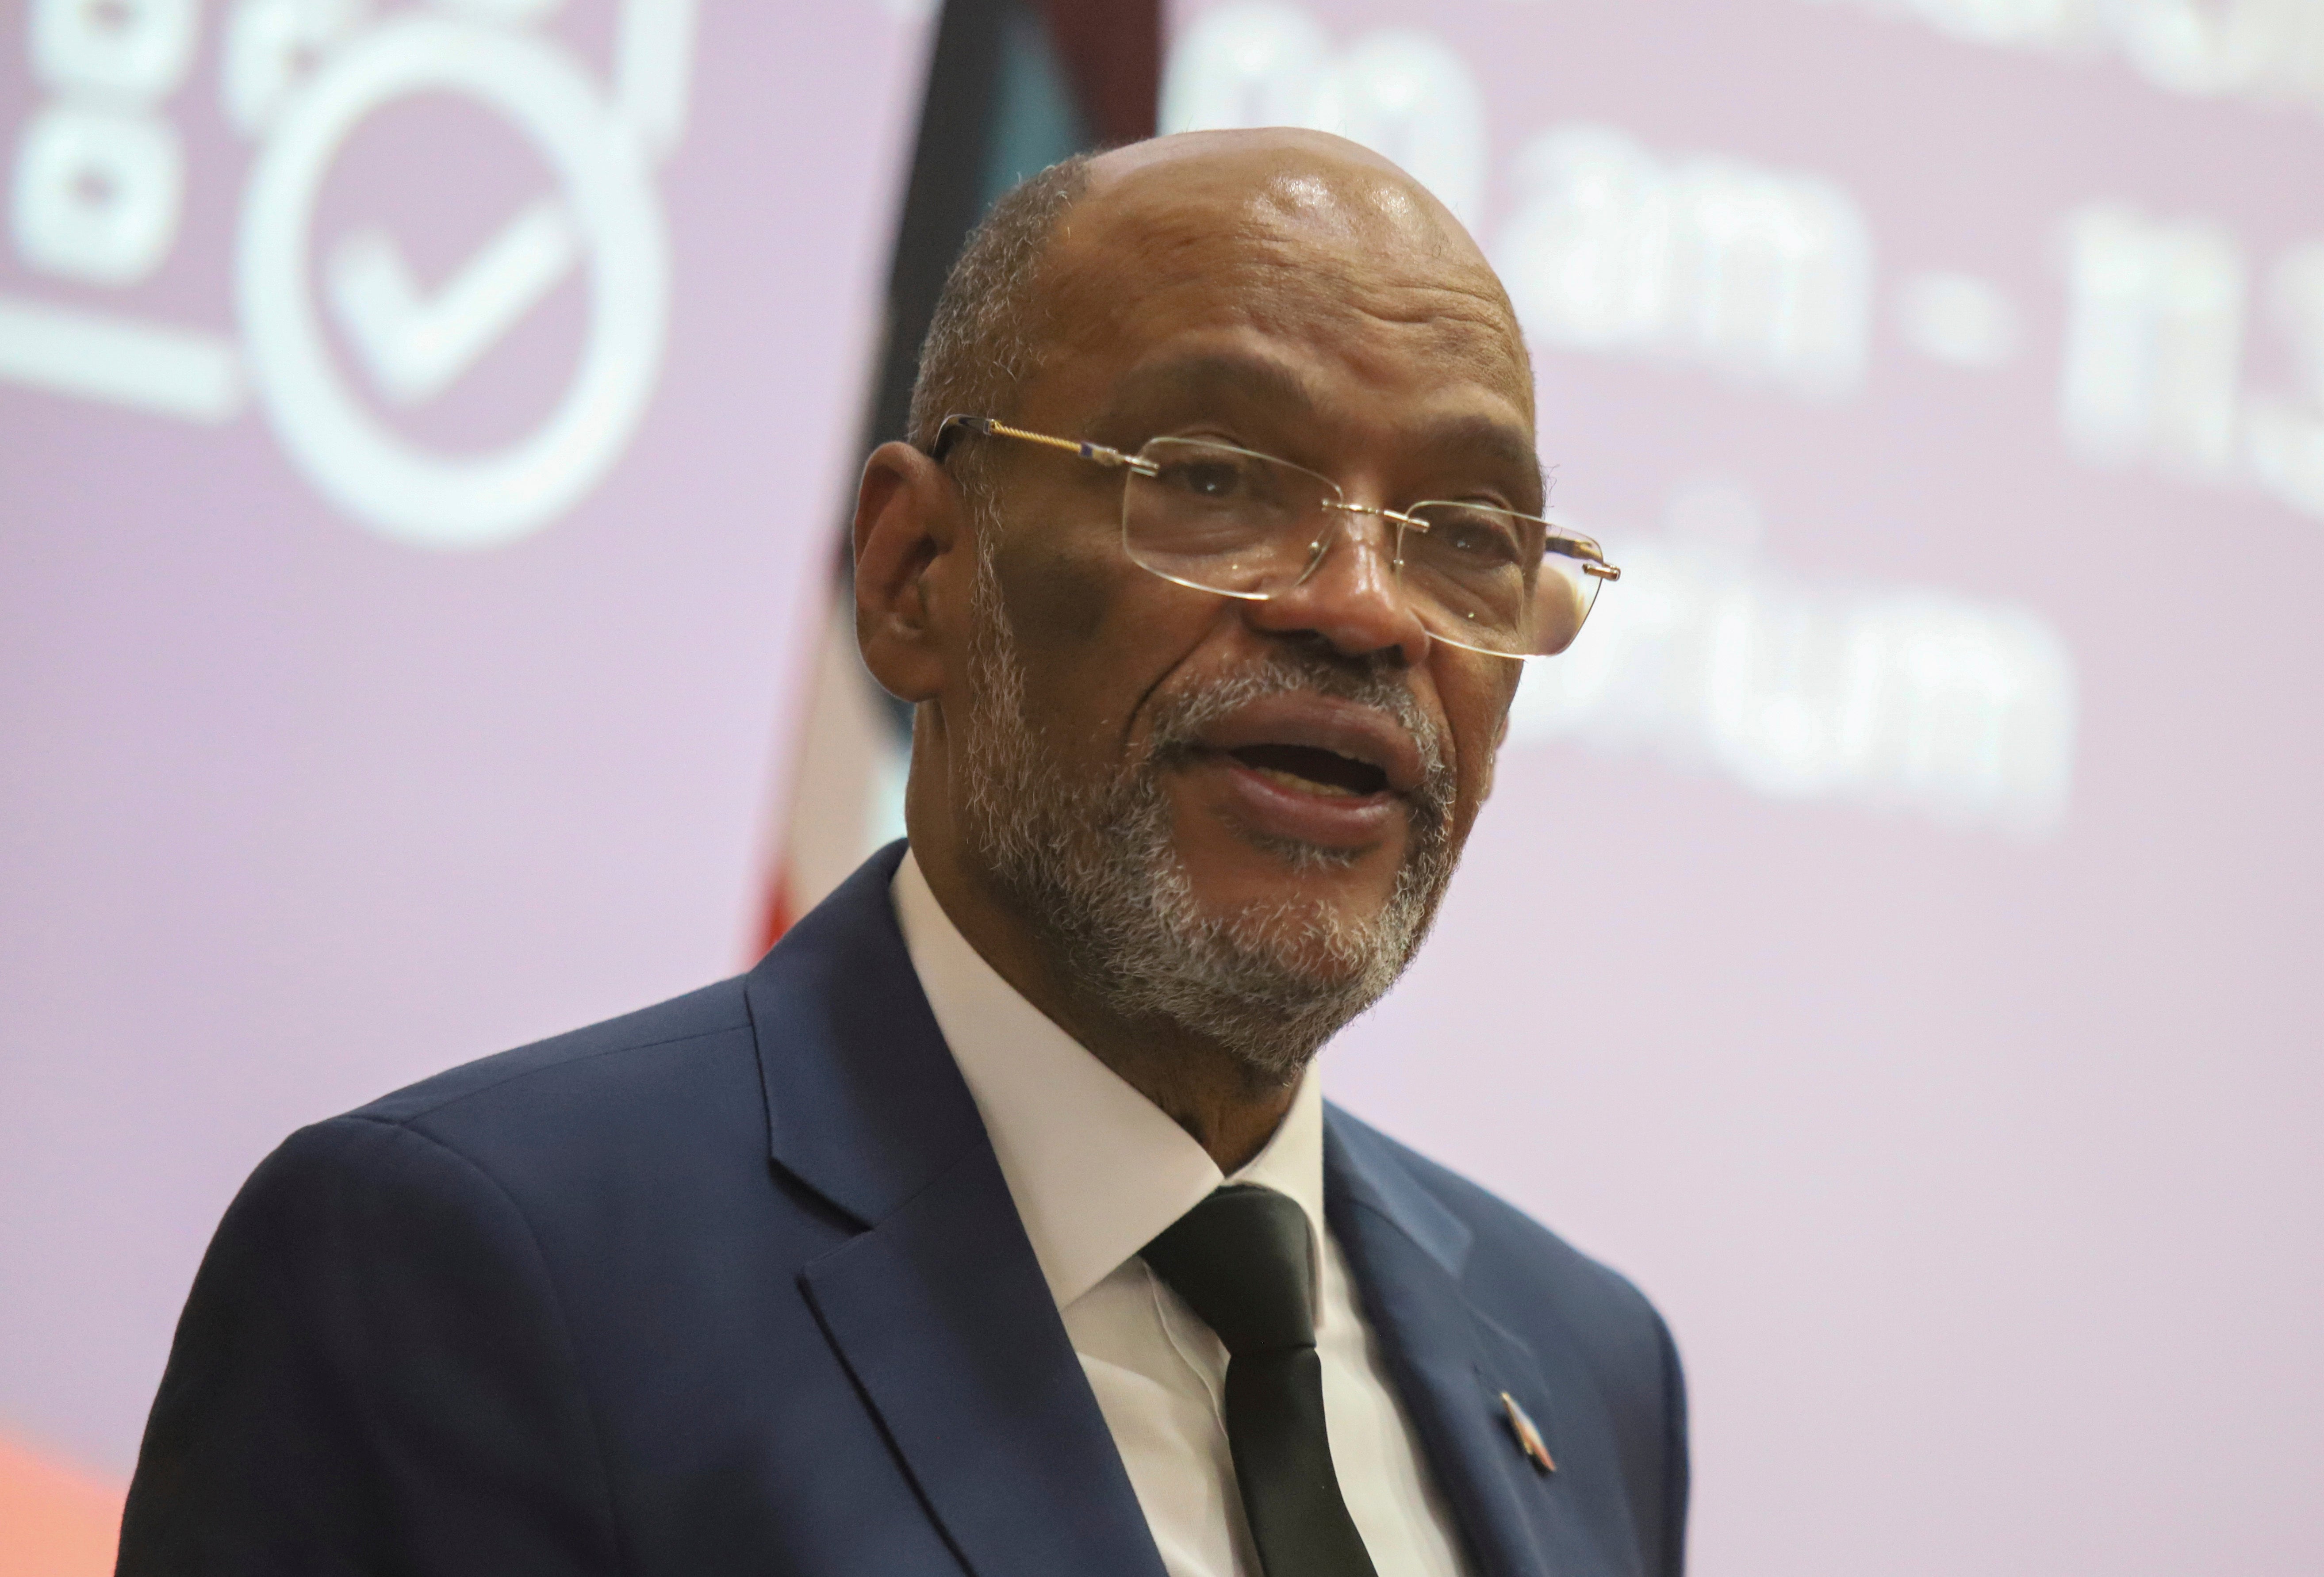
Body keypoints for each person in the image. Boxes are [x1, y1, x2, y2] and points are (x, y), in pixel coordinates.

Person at [118, 128, 1686, 1577]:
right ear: (916, 570)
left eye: (1469, 534)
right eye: (1213, 482)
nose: (1363, 609)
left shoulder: (1582, 1365)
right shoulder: (472, 1275)